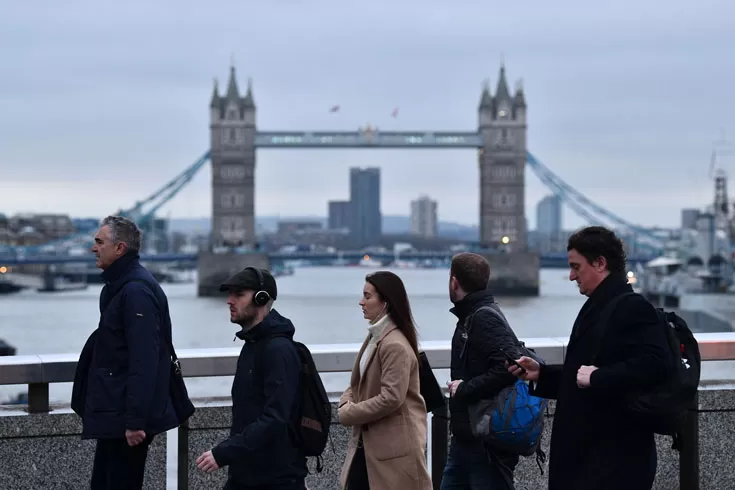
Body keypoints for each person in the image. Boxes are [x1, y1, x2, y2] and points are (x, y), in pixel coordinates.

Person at [507, 226, 674, 490]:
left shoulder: (633, 307)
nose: (571, 276)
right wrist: (541, 374)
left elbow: (657, 364)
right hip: (589, 457)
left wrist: (597, 377)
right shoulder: (599, 305)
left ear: (600, 263)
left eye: (576, 267)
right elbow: (583, 371)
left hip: (613, 460)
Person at [71, 216, 179, 490]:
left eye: (99, 242)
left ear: (119, 248)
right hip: (116, 412)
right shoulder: (121, 286)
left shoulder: (135, 291)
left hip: (127, 420)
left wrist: (135, 421)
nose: (93, 248)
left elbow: (145, 361)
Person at [195, 267, 307, 490]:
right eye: (229, 294)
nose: (229, 301)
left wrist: (224, 452)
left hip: (274, 478)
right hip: (247, 474)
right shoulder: (253, 345)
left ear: (261, 298)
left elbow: (275, 417)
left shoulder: (278, 350)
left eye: (238, 294)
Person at [338, 271, 432, 490]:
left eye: (367, 296)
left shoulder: (393, 344)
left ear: (386, 303)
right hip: (372, 447)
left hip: (393, 451)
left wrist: (349, 413)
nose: (361, 302)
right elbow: (357, 383)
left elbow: (392, 397)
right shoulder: (376, 336)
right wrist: (346, 400)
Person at [441, 252, 521, 490]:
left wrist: (465, 388)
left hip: (485, 443)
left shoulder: (483, 317)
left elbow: (510, 367)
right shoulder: (473, 314)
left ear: (454, 281)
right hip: (467, 438)